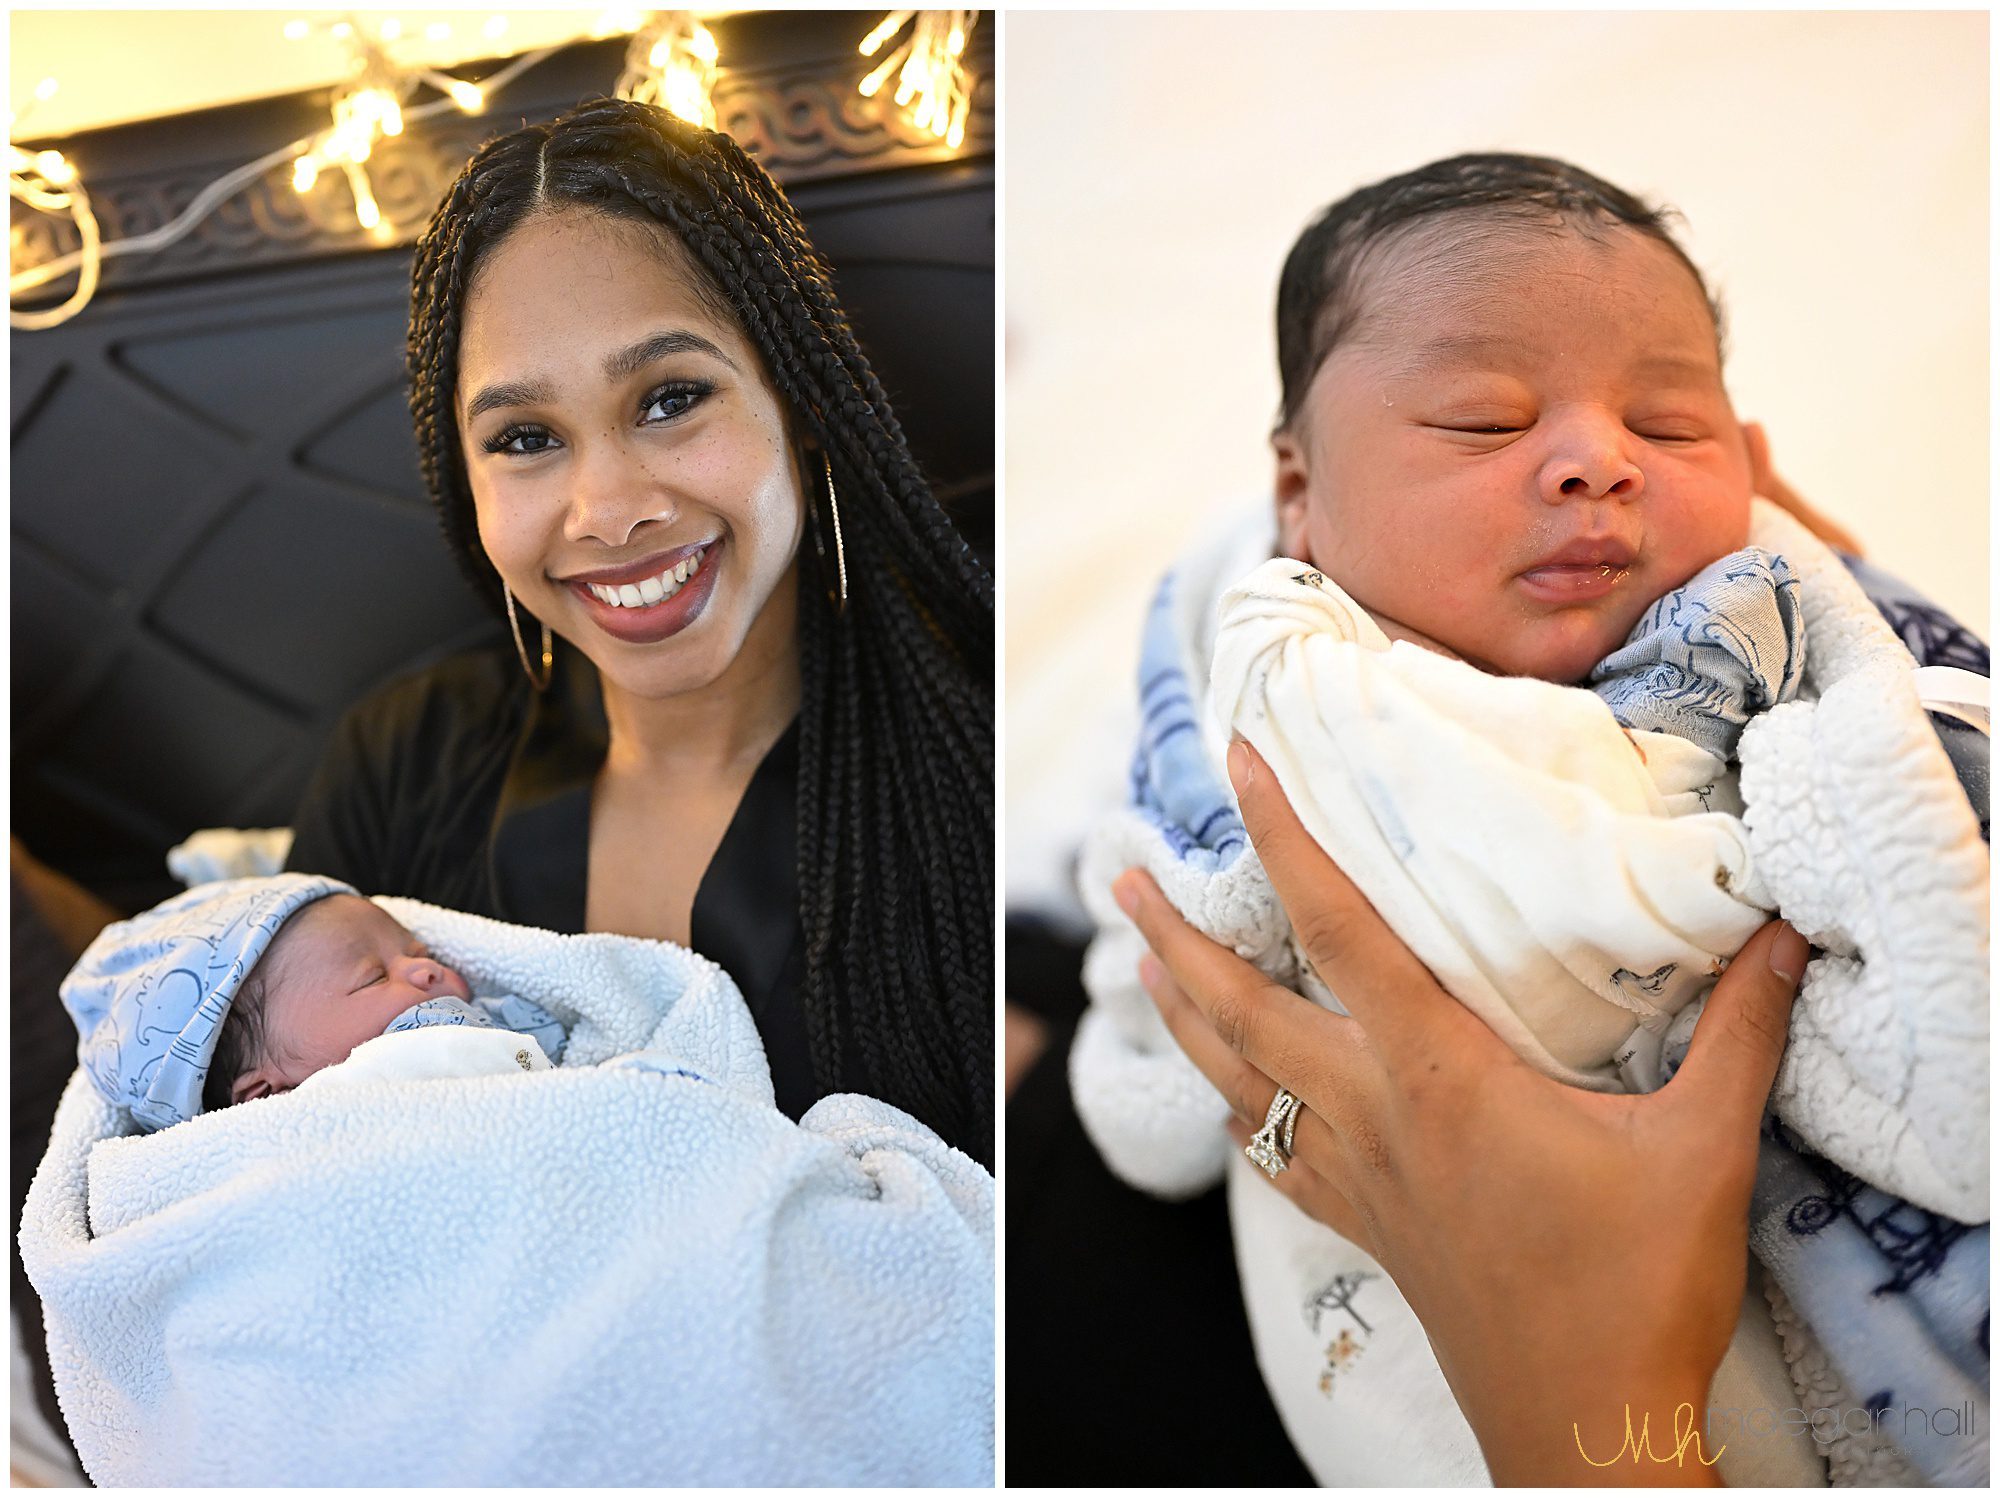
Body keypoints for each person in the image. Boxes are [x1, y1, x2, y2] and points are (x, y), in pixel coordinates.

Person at [1060, 154, 1987, 1485]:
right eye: (1485, 421)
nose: (1598, 462)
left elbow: (1922, 823)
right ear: (1300, 494)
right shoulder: (1284, 663)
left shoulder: (1774, 636)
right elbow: (1171, 931)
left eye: (1671, 428)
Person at [284, 96, 993, 1166]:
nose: (608, 508)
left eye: (668, 398)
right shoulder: (401, 763)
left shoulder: (983, 762)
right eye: (525, 437)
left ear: (795, 406)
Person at [57, 874, 567, 1132]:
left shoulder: (487, 1022)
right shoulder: (314, 1122)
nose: (424, 968)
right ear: (263, 1094)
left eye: (419, 951)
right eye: (374, 978)